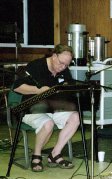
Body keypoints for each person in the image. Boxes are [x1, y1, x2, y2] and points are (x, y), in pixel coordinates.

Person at [12, 44, 79, 172]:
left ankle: (55, 154)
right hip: (31, 108)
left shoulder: (63, 70)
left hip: (54, 107)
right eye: (61, 63)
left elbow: (68, 88)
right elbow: (17, 87)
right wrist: (38, 90)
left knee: (75, 117)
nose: (63, 67)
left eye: (66, 65)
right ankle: (36, 155)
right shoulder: (36, 66)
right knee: (48, 124)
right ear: (54, 56)